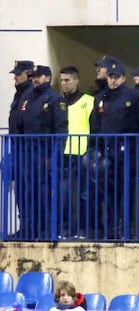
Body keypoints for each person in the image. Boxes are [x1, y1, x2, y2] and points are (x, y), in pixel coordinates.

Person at [91, 60, 139, 239]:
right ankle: (112, 227)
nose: (113, 81)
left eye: (116, 77)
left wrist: (137, 148)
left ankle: (125, 227)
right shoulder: (101, 98)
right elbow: (95, 124)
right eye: (110, 77)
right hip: (107, 151)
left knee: (126, 191)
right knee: (108, 191)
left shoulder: (133, 97)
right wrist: (98, 147)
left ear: (123, 78)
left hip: (126, 152)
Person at [15, 65, 68, 240]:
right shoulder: (27, 97)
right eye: (33, 76)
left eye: (39, 76)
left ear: (48, 78)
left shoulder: (55, 99)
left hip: (44, 152)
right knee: (27, 192)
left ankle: (46, 229)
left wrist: (55, 156)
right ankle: (28, 228)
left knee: (44, 193)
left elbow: (61, 130)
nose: (35, 79)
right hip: (27, 152)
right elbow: (20, 125)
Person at [59, 66, 94, 239]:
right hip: (64, 154)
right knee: (64, 194)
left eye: (68, 80)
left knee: (84, 194)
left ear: (77, 81)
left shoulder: (88, 101)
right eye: (62, 80)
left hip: (83, 153)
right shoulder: (58, 102)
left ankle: (83, 228)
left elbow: (94, 127)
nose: (64, 84)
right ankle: (65, 228)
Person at [8, 60, 34, 239]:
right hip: (18, 150)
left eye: (19, 75)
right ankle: (24, 224)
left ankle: (32, 227)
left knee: (30, 191)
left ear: (28, 74)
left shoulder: (31, 94)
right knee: (21, 191)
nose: (16, 79)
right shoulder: (19, 95)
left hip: (29, 152)